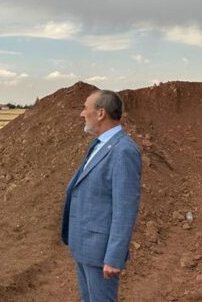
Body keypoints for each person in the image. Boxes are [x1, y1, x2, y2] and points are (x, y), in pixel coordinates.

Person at [61, 90, 142, 301]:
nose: (82, 113)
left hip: (100, 251)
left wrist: (114, 257)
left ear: (100, 113)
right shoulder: (99, 145)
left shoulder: (123, 151)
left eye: (85, 108)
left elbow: (124, 208)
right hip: (85, 245)